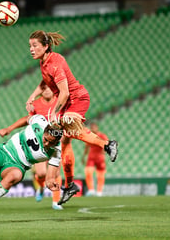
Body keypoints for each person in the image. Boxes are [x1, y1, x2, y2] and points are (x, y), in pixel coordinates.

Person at [26, 30, 118, 205]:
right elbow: (45, 82)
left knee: (68, 125)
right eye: (30, 46)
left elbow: (65, 92)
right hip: (67, 103)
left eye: (35, 46)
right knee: (64, 141)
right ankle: (69, 185)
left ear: (45, 46)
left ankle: (107, 145)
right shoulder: (43, 63)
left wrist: (54, 112)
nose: (31, 49)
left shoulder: (54, 64)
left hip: (77, 98)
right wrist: (32, 96)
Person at [0, 84, 69, 210]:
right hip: (39, 143)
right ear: (40, 91)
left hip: (54, 142)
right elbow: (28, 119)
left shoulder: (60, 102)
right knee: (41, 173)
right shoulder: (36, 104)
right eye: (44, 89)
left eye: (49, 88)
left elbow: (65, 119)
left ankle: (56, 201)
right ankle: (41, 187)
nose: (47, 91)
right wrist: (9, 128)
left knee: (56, 172)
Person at [82, 123, 108, 197]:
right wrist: (83, 156)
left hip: (100, 157)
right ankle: (91, 190)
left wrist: (104, 152)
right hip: (91, 157)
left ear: (97, 128)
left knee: (100, 175)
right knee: (88, 172)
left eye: (94, 127)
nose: (93, 129)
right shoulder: (89, 136)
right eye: (91, 127)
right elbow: (86, 147)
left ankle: (99, 191)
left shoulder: (102, 136)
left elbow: (106, 144)